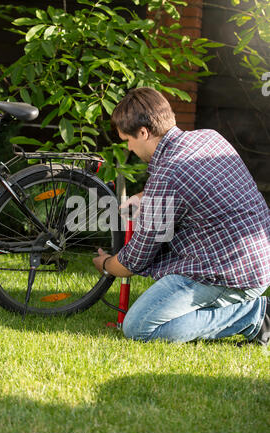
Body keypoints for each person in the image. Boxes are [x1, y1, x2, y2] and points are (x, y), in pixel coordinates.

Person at [92, 87, 270, 346]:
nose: (128, 147)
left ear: (143, 132)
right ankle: (245, 308)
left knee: (139, 326)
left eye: (127, 140)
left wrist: (107, 265)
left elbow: (135, 259)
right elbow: (194, 188)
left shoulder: (168, 175)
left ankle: (253, 315)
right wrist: (143, 198)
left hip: (228, 275)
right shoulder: (210, 138)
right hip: (258, 264)